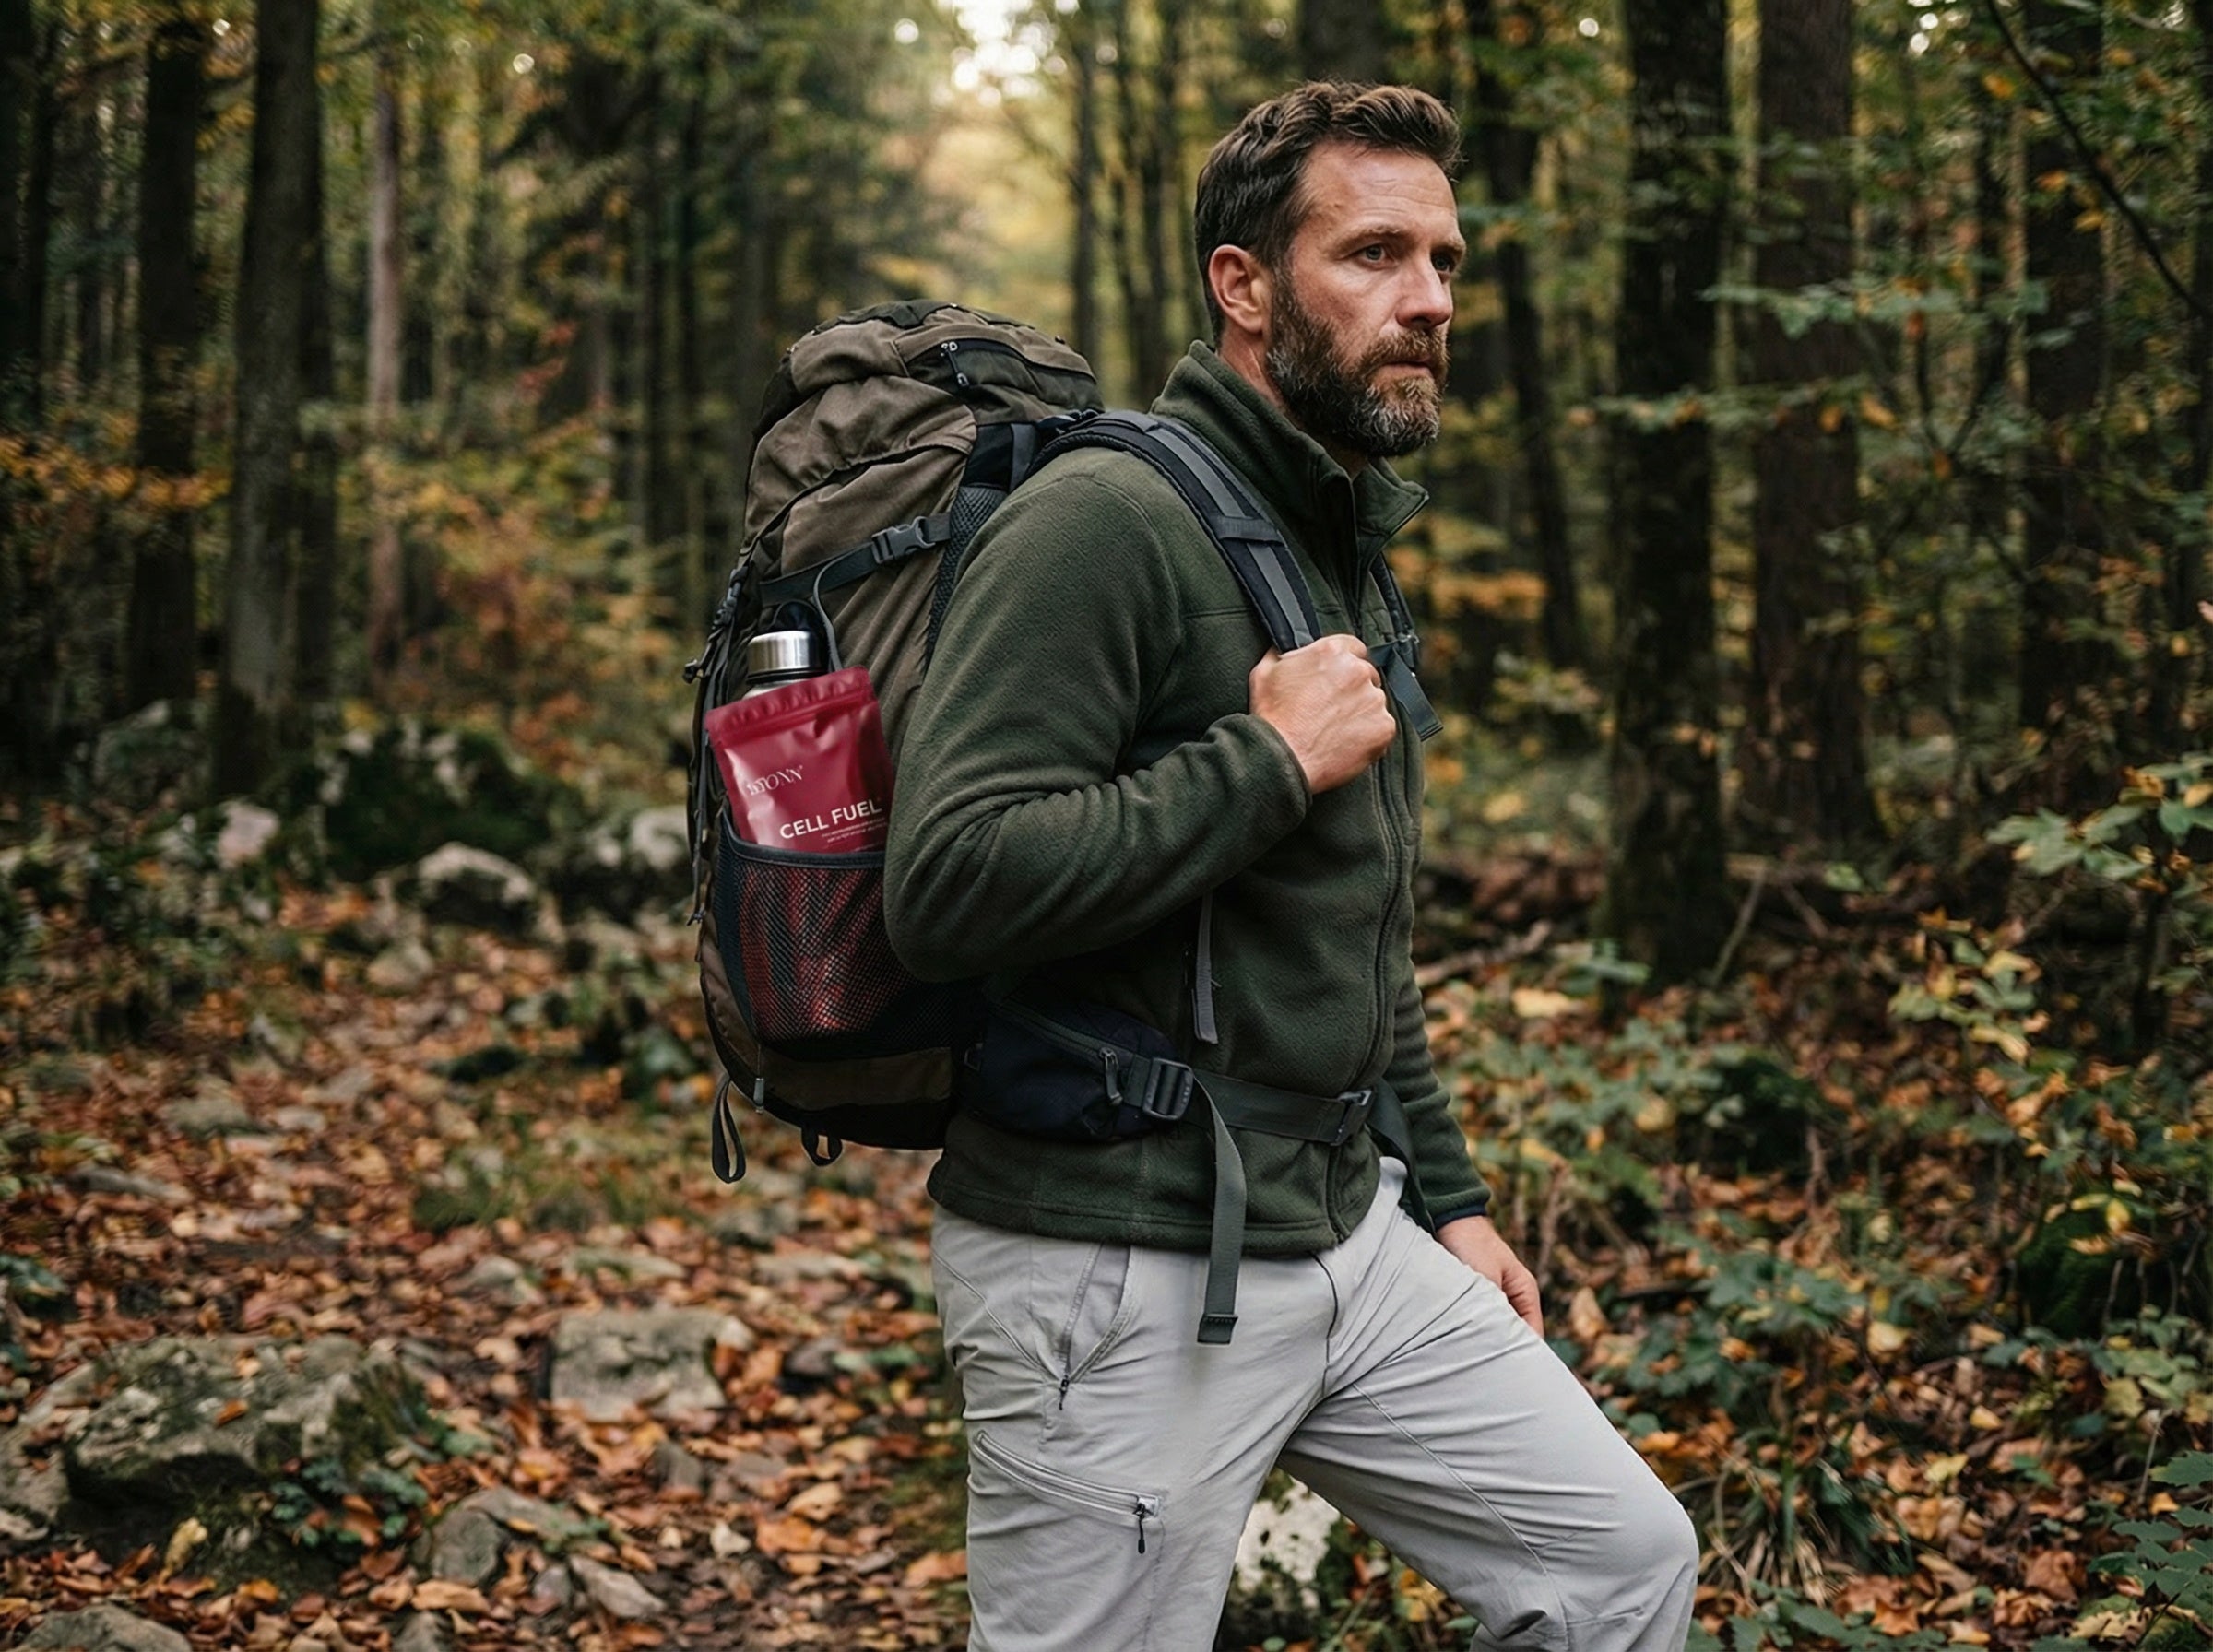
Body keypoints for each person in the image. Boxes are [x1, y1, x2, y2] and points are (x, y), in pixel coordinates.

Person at [883, 81, 1698, 1652]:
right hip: (1110, 1265)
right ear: (1242, 285)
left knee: (1621, 1563)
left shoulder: (1329, 528)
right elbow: (951, 882)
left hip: (1341, 1228)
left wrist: (1449, 1199)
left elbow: (1356, 926)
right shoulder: (1101, 522)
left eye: (1445, 262)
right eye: (1376, 255)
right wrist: (1259, 765)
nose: (1431, 303)